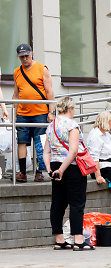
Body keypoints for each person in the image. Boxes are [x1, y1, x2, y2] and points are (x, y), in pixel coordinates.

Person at [43, 97, 94, 251]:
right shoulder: (72, 125)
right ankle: (78, 240)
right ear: (70, 109)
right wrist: (62, 170)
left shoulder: (51, 126)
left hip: (55, 165)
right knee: (77, 203)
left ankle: (59, 239)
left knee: (58, 203)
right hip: (71, 167)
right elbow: (72, 152)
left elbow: (46, 152)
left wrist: (51, 170)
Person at [13, 43, 55, 183]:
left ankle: (39, 172)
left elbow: (49, 91)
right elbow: (16, 94)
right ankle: (23, 173)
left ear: (31, 53)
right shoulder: (17, 71)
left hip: (40, 112)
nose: (24, 59)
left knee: (39, 143)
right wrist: (14, 112)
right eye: (21, 57)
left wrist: (51, 112)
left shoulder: (42, 69)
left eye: (26, 55)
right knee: (22, 142)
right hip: (23, 113)